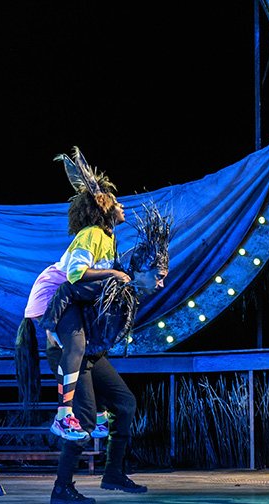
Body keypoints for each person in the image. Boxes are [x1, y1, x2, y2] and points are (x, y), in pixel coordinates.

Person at [41, 204, 171, 504]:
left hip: (92, 354)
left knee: (124, 403)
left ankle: (113, 473)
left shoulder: (122, 290)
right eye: (159, 276)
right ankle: (61, 488)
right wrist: (53, 329)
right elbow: (68, 291)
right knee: (83, 420)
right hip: (71, 354)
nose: (161, 284)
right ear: (142, 270)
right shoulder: (109, 281)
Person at [21, 148, 129, 442]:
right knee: (78, 345)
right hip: (52, 294)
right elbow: (74, 275)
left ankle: (98, 414)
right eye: (117, 202)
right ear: (104, 206)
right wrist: (114, 274)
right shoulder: (92, 233)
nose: (122, 206)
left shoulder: (108, 238)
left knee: (89, 348)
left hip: (69, 296)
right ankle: (63, 415)